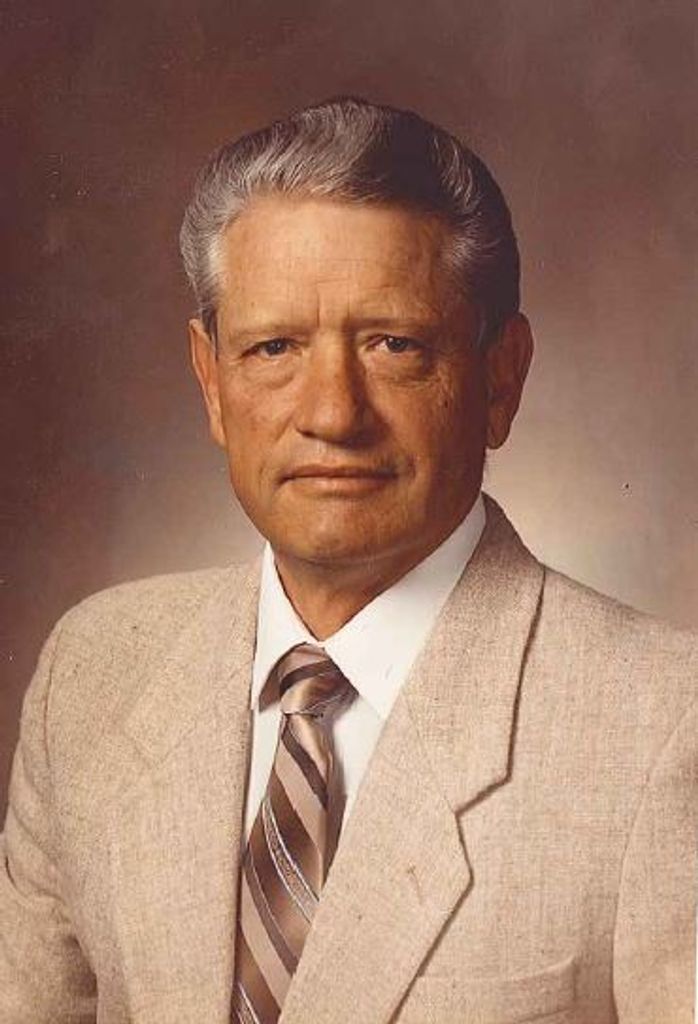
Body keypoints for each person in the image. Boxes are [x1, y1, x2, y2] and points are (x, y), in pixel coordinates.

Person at [1, 96, 696, 1024]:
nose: (333, 413)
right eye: (274, 347)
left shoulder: (663, 726)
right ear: (212, 383)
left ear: (501, 378)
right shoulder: (94, 671)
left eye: (393, 344)